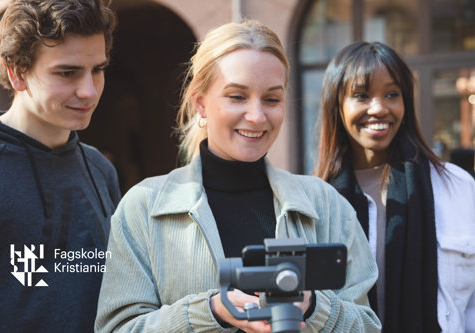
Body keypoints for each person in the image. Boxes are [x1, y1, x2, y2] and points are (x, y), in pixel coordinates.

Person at [95, 20, 380, 333]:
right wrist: (211, 312)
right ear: (200, 104)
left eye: (271, 99)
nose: (257, 116)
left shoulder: (325, 205)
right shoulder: (143, 208)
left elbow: (367, 326)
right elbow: (117, 329)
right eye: (237, 97)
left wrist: (313, 307)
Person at [0, 1, 120, 332]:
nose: (88, 91)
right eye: (67, 73)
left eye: (97, 69)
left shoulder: (101, 170)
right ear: (17, 72)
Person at [314, 41, 475, 333]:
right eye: (361, 95)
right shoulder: (314, 202)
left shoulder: (458, 188)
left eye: (392, 94)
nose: (379, 108)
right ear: (336, 105)